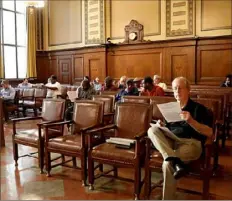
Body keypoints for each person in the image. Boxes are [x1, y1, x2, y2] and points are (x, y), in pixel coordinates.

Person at [147, 77, 213, 200]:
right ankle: (174, 159)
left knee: (167, 164)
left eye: (180, 88)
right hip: (172, 142)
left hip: (191, 144)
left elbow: (210, 133)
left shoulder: (199, 109)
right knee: (152, 130)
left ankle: (172, 161)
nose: (177, 91)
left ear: (188, 90)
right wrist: (162, 126)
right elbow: (170, 129)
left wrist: (191, 121)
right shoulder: (171, 108)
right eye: (174, 89)